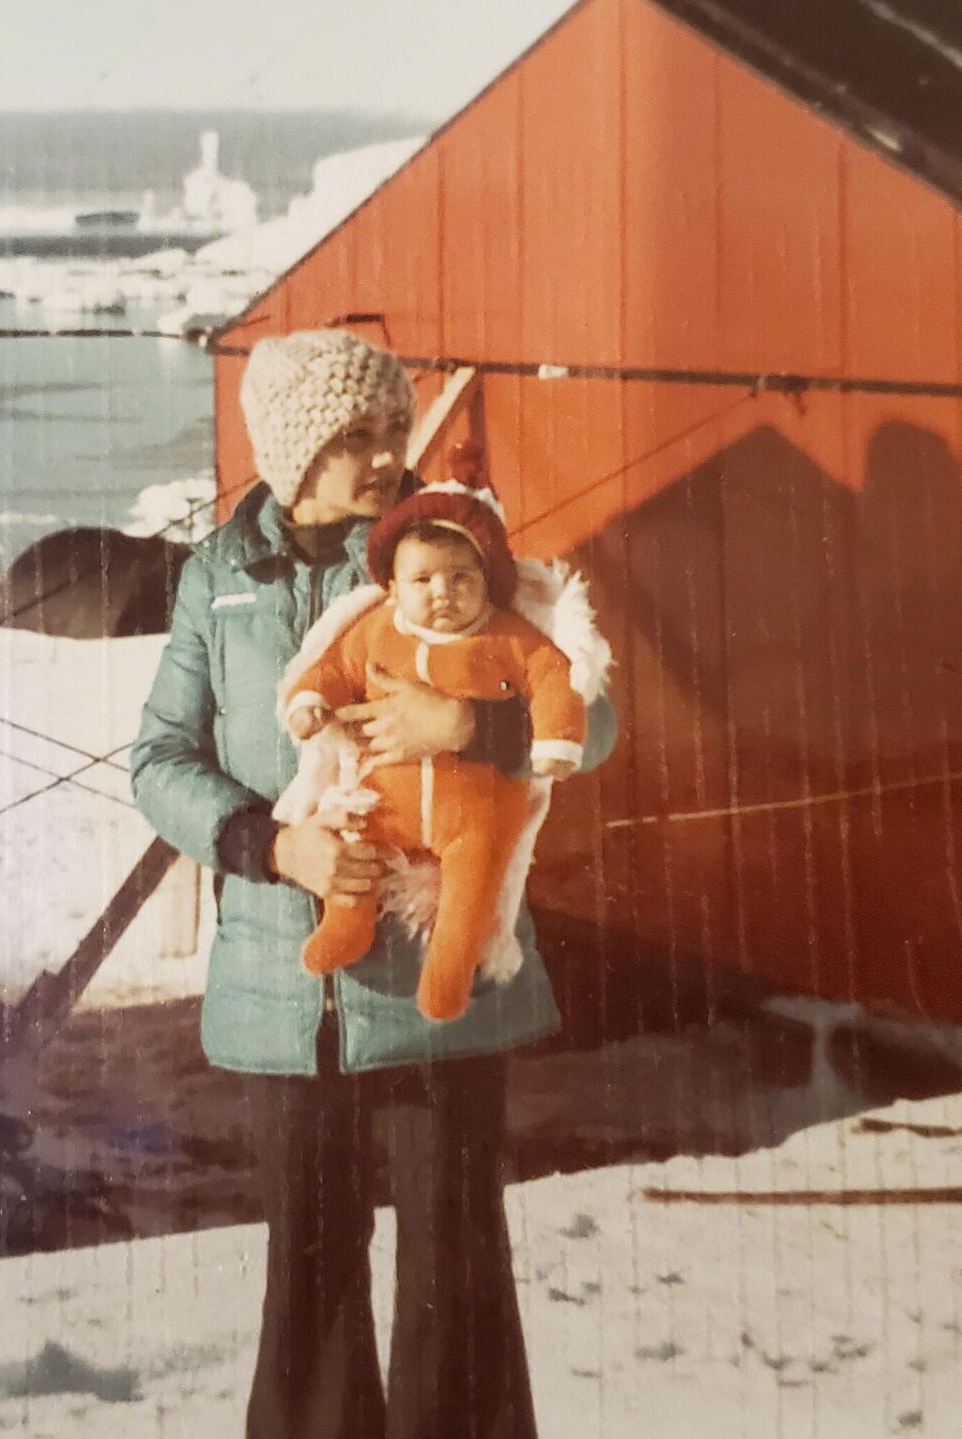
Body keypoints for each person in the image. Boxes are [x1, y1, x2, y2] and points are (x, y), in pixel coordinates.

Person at [131, 328, 617, 1439]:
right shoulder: (219, 576)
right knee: (306, 1277)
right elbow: (159, 759)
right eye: (360, 433)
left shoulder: (449, 547)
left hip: (437, 981)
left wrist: (476, 726)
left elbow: (595, 724)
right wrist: (270, 844)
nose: (390, 453)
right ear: (296, 446)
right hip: (282, 986)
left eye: (396, 428)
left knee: (455, 1268)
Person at [278, 475, 605, 1021]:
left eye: (461, 577)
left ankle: (449, 974)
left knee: (472, 890)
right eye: (422, 579)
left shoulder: (507, 637)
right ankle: (348, 922)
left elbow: (555, 678)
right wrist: (310, 702)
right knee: (356, 839)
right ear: (393, 588)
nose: (442, 592)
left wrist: (554, 738)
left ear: (486, 580)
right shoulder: (376, 632)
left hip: (476, 810)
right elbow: (332, 668)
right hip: (385, 797)